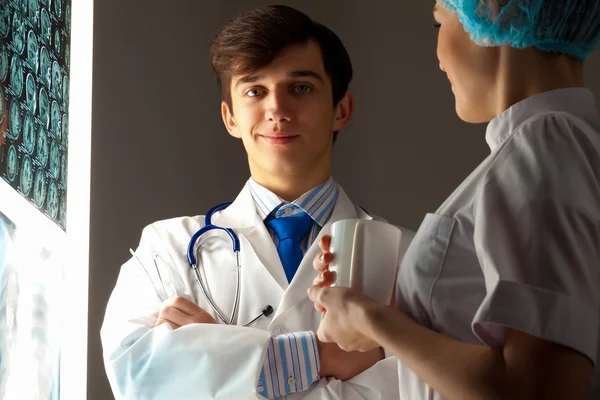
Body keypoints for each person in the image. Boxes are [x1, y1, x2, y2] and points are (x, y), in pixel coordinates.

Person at [101, 5, 410, 400]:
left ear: (341, 109)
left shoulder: (410, 257)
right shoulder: (167, 250)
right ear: (230, 118)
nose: (277, 110)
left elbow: (423, 387)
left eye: (300, 88)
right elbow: (138, 375)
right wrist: (320, 356)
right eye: (255, 91)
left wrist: (215, 357)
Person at [308, 0, 600, 399]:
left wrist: (371, 319)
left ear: (495, 10)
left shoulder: (540, 147)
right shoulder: (568, 144)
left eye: (438, 26)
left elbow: (538, 388)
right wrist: (407, 311)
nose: (439, 58)